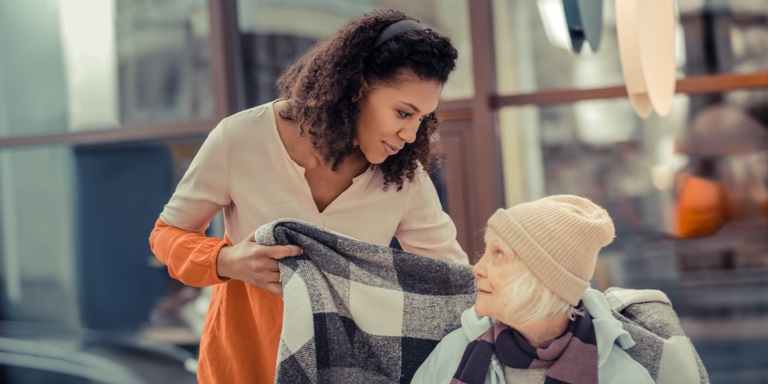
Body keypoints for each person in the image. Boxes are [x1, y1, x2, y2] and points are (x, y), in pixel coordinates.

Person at [149, 9, 468, 384]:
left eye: (422, 119)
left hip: (349, 372)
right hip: (244, 366)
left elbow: (452, 280)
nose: (411, 135)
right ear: (357, 87)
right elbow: (166, 235)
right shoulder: (239, 139)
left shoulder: (404, 178)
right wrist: (227, 259)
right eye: (403, 113)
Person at [412, 195, 654, 384]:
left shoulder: (622, 376)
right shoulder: (453, 353)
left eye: (498, 254)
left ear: (543, 280)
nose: (477, 268)